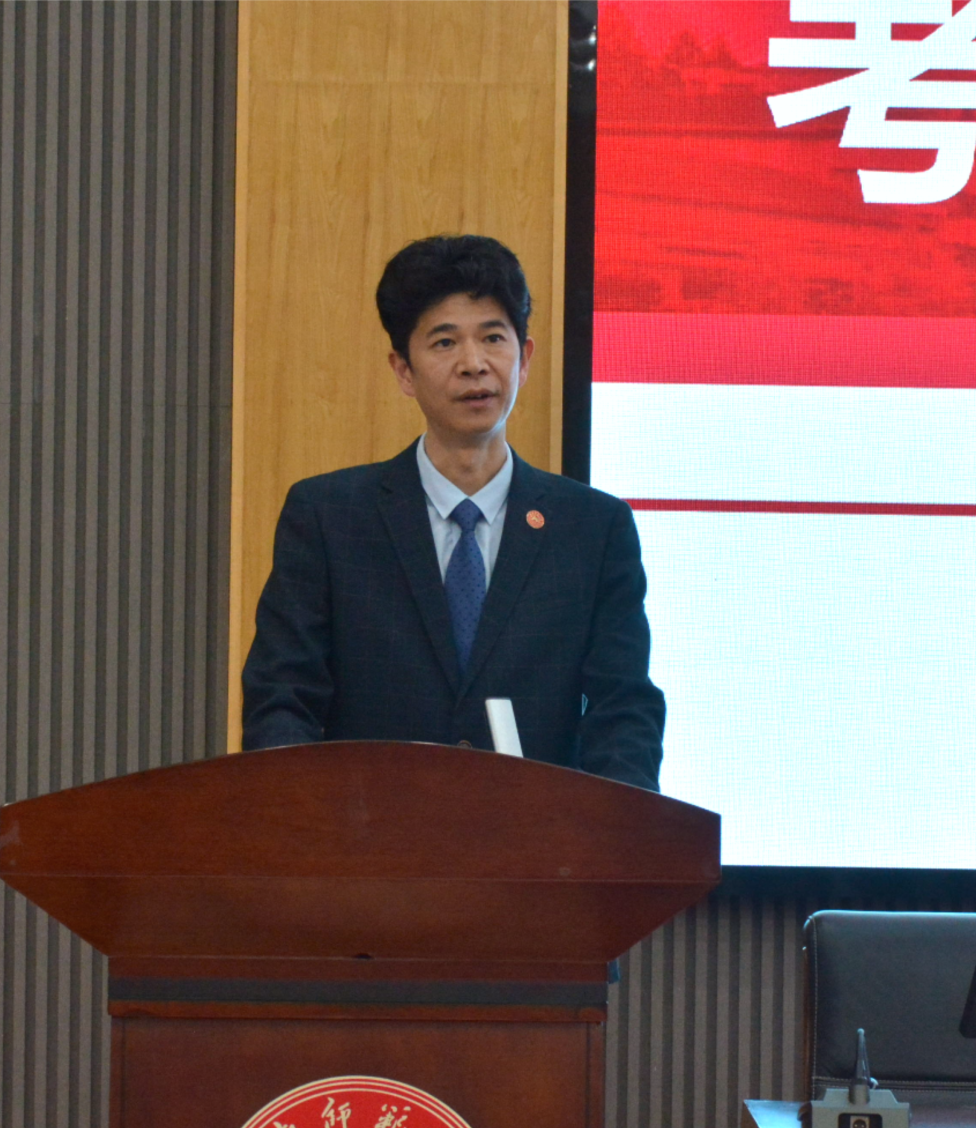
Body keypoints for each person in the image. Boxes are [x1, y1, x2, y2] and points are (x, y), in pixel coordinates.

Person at [240, 234, 666, 789]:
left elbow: (624, 709)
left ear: (524, 358)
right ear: (403, 370)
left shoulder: (593, 528)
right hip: (370, 834)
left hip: (537, 838)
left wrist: (619, 829)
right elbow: (282, 698)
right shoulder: (329, 518)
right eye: (444, 342)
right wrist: (299, 821)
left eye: (493, 338)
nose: (473, 364)